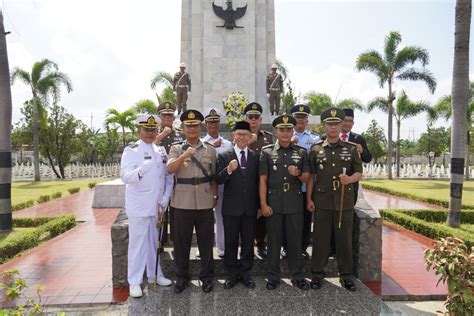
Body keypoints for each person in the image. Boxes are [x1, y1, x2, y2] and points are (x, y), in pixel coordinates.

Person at [307, 108, 363, 292]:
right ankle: (316, 274)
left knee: (344, 240)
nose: (332, 127)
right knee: (320, 241)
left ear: (341, 126)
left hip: (343, 202)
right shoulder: (316, 149)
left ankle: (346, 276)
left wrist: (349, 180)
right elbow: (311, 177)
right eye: (329, 124)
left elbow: (359, 173)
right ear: (324, 126)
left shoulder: (351, 149)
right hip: (322, 201)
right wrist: (309, 199)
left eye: (336, 124)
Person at [120, 114, 173, 298]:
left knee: (154, 243)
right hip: (140, 205)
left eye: (153, 130)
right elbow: (125, 176)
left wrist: (166, 196)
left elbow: (168, 176)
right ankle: (134, 282)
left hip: (157, 206)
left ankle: (154, 275)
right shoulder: (132, 150)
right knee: (138, 244)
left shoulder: (160, 150)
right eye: (147, 129)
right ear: (139, 130)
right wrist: (140, 171)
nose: (150, 133)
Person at [167, 110, 218, 294]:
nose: (192, 129)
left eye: (195, 125)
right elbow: (170, 169)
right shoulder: (175, 148)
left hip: (204, 202)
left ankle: (207, 277)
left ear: (200, 127)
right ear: (183, 128)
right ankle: (181, 277)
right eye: (188, 126)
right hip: (182, 202)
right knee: (182, 243)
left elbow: (213, 176)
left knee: (206, 242)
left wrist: (213, 196)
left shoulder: (210, 149)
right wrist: (184, 156)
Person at [259, 114, 311, 291]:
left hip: (294, 203)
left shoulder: (301, 152)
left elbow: (307, 177)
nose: (285, 132)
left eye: (289, 129)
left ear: (292, 131)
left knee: (295, 242)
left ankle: (297, 276)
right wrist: (263, 204)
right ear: (276, 131)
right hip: (273, 203)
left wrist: (297, 173)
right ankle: (273, 276)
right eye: (282, 129)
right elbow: (263, 181)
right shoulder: (267, 152)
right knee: (273, 241)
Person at [216, 121, 259, 290]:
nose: (242, 137)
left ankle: (246, 272)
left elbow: (258, 182)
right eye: (238, 134)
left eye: (245, 135)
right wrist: (228, 170)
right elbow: (218, 179)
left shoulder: (255, 156)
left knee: (248, 241)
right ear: (233, 136)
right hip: (231, 207)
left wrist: (259, 206)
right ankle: (232, 273)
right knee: (231, 241)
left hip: (249, 207)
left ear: (249, 138)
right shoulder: (224, 155)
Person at [280, 104, 320, 260]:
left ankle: (302, 248)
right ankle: (285, 247)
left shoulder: (314, 140)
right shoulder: (285, 135)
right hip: (288, 186)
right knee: (286, 218)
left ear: (307, 120)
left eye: (303, 118)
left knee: (305, 219)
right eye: (297, 118)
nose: (300, 121)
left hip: (306, 187)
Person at [201, 108, 233, 258]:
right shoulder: (200, 143)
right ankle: (203, 249)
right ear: (205, 124)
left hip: (222, 187)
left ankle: (221, 246)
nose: (213, 124)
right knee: (204, 220)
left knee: (221, 218)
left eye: (215, 121)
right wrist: (213, 146)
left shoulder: (227, 144)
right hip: (204, 188)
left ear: (219, 123)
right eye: (210, 121)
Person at [154, 101, 185, 246]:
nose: (167, 118)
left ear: (174, 118)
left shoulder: (179, 135)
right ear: (159, 117)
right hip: (158, 177)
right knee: (159, 209)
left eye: (170, 115)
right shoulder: (152, 132)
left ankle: (175, 239)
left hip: (175, 176)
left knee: (175, 209)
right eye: (164, 115)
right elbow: (146, 146)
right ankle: (160, 240)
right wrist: (161, 135)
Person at [245, 102, 273, 259]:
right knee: (246, 216)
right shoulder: (240, 136)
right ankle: (246, 246)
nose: (253, 120)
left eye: (256, 117)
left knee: (262, 216)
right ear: (246, 118)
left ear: (260, 119)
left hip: (263, 183)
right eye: (250, 117)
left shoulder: (268, 138)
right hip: (245, 184)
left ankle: (261, 244)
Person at [340, 108, 372, 204]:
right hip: (333, 181)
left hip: (351, 182)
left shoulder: (358, 139)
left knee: (349, 211)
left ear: (353, 123)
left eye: (350, 121)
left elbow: (368, 159)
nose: (347, 124)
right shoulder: (330, 136)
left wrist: (362, 151)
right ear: (340, 121)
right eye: (345, 120)